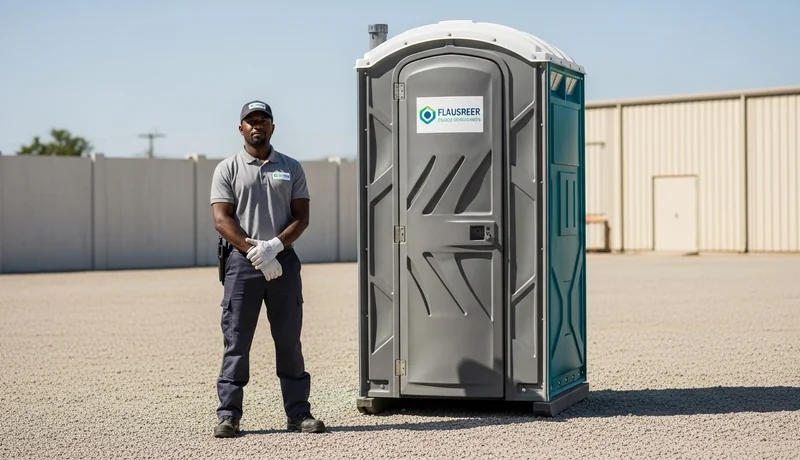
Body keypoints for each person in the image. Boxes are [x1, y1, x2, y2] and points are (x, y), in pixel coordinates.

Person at [208, 100, 325, 438]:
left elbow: (301, 216)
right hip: (242, 265)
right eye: (250, 120)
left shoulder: (290, 167)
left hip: (283, 263)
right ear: (240, 128)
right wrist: (255, 250)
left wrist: (275, 246)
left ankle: (298, 415)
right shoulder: (227, 169)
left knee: (289, 341)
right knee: (237, 340)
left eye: (263, 120)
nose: (257, 125)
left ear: (273, 126)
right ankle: (229, 415)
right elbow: (221, 219)